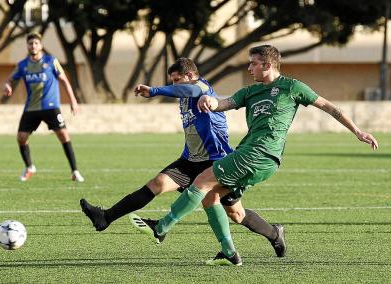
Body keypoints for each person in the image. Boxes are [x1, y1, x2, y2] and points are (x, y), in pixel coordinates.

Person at [130, 45, 379, 266]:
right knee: (215, 200)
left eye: (253, 63)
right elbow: (223, 103)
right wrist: (208, 99)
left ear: (267, 65)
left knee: (201, 183)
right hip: (248, 153)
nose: (249, 67)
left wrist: (357, 131)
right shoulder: (250, 92)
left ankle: (161, 228)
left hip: (261, 153)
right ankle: (245, 246)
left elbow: (329, 107)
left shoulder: (292, 87)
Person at [80, 58, 286, 257]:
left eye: (177, 79)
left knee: (236, 213)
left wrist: (154, 90)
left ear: (190, 75)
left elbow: (191, 89)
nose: (175, 85)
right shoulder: (184, 99)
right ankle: (105, 217)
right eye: (172, 81)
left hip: (217, 160)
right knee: (157, 183)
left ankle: (274, 234)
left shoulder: (202, 88)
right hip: (190, 160)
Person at [3, 32, 84, 182]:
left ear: (40, 45)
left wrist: (73, 100)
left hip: (51, 106)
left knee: (63, 135)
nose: (33, 46)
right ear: (27, 46)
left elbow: (64, 80)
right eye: (30, 43)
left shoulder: (51, 61)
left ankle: (75, 171)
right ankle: (29, 167)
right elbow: (10, 79)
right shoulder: (22, 65)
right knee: (21, 138)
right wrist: (8, 86)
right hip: (31, 108)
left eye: (35, 43)